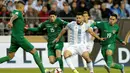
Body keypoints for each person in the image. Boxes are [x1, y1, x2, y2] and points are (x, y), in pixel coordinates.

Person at [0, 1, 45, 73]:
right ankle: (44, 71)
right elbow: (15, 16)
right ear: (21, 7)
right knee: (34, 51)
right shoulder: (18, 12)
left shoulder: (15, 11)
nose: (24, 9)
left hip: (14, 38)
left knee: (10, 56)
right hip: (19, 38)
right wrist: (10, 22)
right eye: (23, 7)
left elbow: (15, 18)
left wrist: (23, 27)